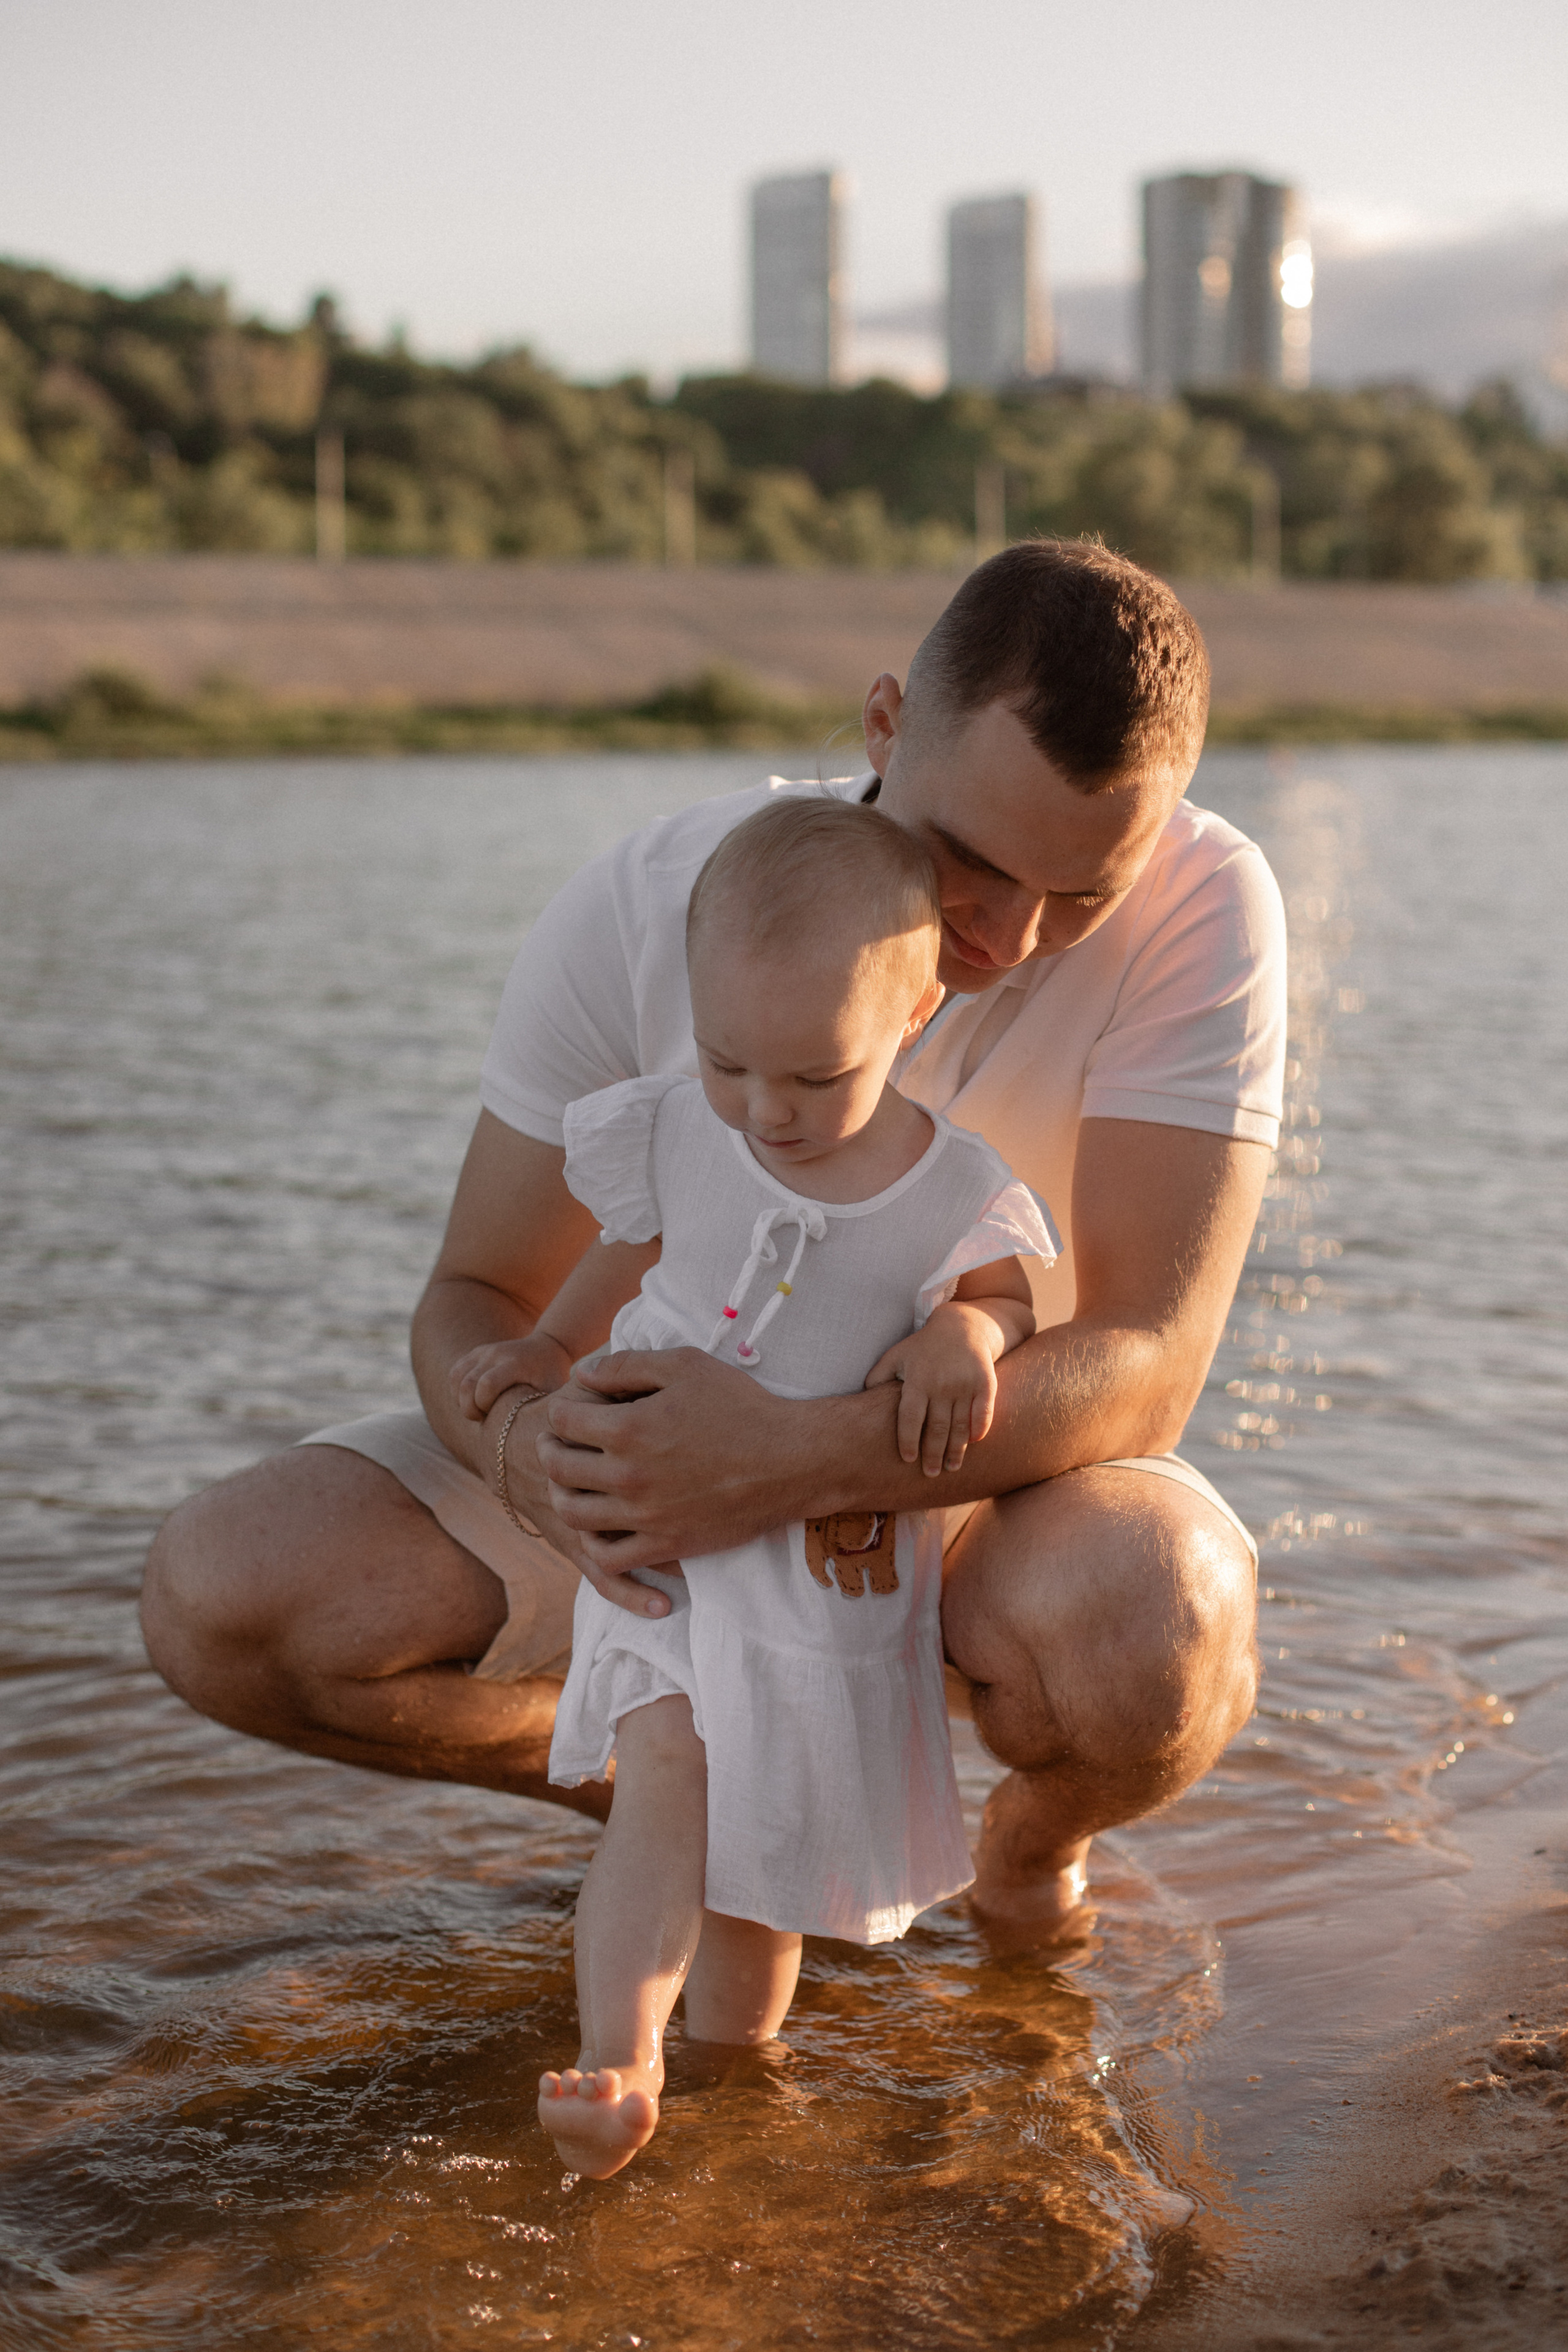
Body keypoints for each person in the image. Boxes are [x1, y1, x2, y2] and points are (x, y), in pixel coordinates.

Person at [140, 537, 1285, 1947]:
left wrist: (783, 1461)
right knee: (224, 1595)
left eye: (1080, 896)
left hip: (982, 1478)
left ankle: (1024, 1851)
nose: (1011, 935)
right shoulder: (653, 901)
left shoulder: (1207, 901)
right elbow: (479, 1293)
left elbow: (1149, 1362)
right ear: (880, 724)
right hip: (668, 1487)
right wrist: (541, 1468)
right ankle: (685, 1811)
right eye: (971, 862)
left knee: (1156, 1628)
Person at [490, 797, 1057, 2176]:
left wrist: (961, 1333)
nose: (764, 1110)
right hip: (668, 1536)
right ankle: (618, 2058)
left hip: (810, 1560)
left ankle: (735, 2070)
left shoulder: (946, 1189)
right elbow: (630, 1248)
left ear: (917, 1011)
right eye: (731, 1060)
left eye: (813, 1077)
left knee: (767, 1839)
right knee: (668, 1767)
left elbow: (1005, 1304)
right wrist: (547, 1350)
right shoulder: (686, 1124)